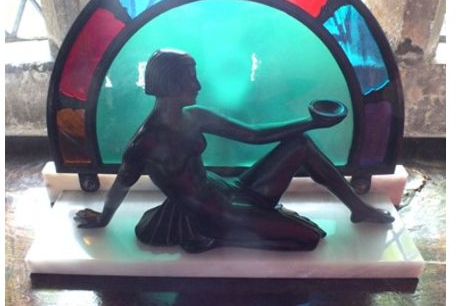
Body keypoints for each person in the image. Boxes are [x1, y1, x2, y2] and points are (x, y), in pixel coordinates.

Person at [74, 49, 393, 253]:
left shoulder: (195, 117)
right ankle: (229, 234)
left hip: (232, 190)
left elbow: (253, 135)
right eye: (190, 79)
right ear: (171, 84)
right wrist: (103, 218)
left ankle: (358, 207)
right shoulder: (145, 143)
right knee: (309, 239)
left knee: (301, 146)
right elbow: (124, 182)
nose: (197, 85)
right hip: (215, 215)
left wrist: (310, 123)